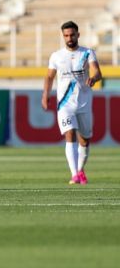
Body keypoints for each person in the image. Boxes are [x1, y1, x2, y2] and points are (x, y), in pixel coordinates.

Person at [42, 20, 102, 184]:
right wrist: (45, 94)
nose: (69, 38)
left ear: (78, 35)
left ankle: (80, 170)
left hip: (83, 103)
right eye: (66, 35)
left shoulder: (87, 53)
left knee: (85, 139)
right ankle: (74, 174)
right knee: (69, 134)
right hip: (64, 104)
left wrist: (94, 78)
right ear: (63, 36)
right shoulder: (56, 56)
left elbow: (97, 71)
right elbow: (49, 76)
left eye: (72, 35)